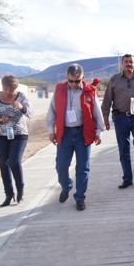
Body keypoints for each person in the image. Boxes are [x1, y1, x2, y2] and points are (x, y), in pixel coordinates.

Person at [46, 64, 105, 211]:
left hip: (82, 134)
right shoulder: (59, 89)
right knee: (61, 166)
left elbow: (97, 112)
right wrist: (51, 130)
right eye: (70, 81)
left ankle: (80, 197)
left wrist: (99, 132)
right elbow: (52, 111)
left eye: (77, 81)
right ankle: (66, 186)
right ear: (67, 78)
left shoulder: (90, 91)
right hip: (64, 134)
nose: (73, 84)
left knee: (83, 167)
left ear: (82, 78)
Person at [101, 54, 134, 189]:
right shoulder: (114, 80)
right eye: (126, 61)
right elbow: (107, 100)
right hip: (120, 118)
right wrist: (105, 118)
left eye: (131, 62)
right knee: (123, 149)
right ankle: (127, 178)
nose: (128, 64)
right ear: (122, 63)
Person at [0, 75, 34, 207]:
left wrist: (22, 107)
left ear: (16, 89)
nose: (8, 92)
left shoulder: (21, 96)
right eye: (6, 89)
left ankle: (20, 190)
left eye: (11, 90)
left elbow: (31, 113)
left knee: (14, 162)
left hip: (18, 134)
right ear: (2, 87)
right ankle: (8, 194)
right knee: (3, 164)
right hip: (0, 135)